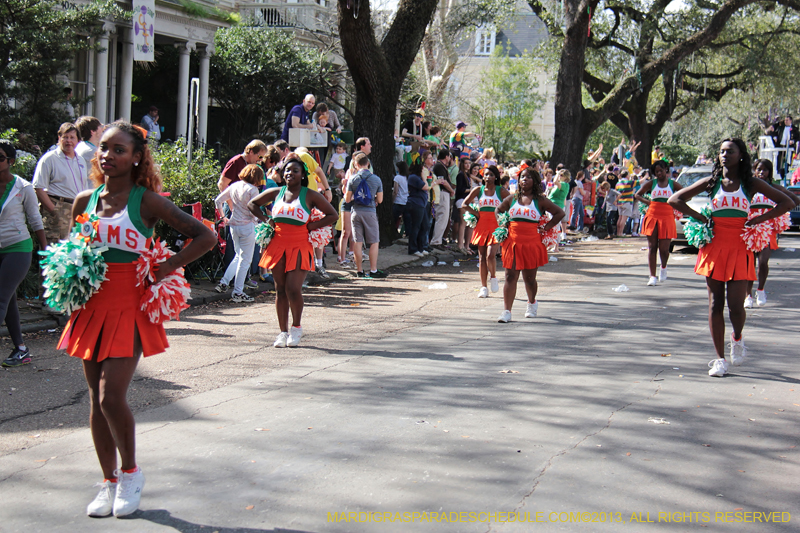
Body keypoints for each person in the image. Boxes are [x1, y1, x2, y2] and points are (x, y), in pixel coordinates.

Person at [63, 121, 215, 517]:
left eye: (118, 150)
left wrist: (166, 268)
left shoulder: (147, 201)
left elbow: (205, 236)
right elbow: (72, 250)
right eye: (104, 149)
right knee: (96, 404)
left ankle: (130, 473)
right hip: (90, 306)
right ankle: (108, 480)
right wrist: (69, 280)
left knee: (110, 395)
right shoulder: (85, 200)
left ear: (136, 158)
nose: (108, 155)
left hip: (130, 304)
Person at [669, 139, 792, 377]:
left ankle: (737, 338)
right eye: (722, 151)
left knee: (736, 306)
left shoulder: (751, 183)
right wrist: (700, 217)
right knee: (715, 303)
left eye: (730, 151)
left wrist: (758, 219)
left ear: (741, 156)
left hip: (739, 246)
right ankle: (719, 359)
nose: (725, 155)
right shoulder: (712, 182)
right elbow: (675, 199)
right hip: (714, 246)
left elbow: (786, 202)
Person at [249, 154, 337, 347]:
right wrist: (267, 220)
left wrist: (311, 227)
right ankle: (282, 332)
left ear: (302, 175)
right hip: (277, 244)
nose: (290, 173)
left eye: (295, 171)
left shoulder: (310, 195)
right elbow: (252, 204)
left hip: (300, 245)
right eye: (287, 170)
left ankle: (296, 328)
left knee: (293, 289)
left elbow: (332, 214)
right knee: (280, 289)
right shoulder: (276, 192)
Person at [495, 167, 565, 322]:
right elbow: (498, 210)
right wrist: (502, 225)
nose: (524, 180)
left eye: (527, 177)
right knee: (509, 276)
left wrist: (546, 227)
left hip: (532, 243)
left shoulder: (540, 200)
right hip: (512, 242)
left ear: (535, 181)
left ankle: (532, 302)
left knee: (529, 278)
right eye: (521, 177)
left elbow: (560, 213)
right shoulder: (512, 198)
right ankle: (507, 311)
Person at [0, 140, 47, 368]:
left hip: (18, 248)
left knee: (0, 296)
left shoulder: (23, 187)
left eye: (0, 158)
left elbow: (35, 220)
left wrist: (46, 249)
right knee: (7, 301)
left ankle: (20, 349)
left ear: (10, 161)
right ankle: (21, 349)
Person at [744, 159, 800, 307]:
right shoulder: (747, 187)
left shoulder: (774, 188)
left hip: (766, 228)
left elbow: (794, 200)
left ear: (770, 172)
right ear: (754, 170)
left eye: (765, 170)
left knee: (763, 262)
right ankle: (747, 295)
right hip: (749, 228)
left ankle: (761, 290)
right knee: (749, 263)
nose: (761, 172)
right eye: (759, 169)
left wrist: (777, 214)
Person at [214, 164, 263, 303]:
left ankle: (224, 283)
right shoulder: (253, 190)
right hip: (247, 226)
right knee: (245, 260)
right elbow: (254, 209)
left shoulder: (234, 185)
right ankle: (238, 291)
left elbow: (218, 201)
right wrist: (256, 220)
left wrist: (224, 217)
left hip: (233, 225)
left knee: (238, 256)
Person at [461, 165, 508, 298]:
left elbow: (513, 202)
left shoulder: (501, 190)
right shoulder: (478, 190)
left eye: (491, 175)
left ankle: (493, 277)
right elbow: (464, 204)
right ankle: (483, 287)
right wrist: (476, 213)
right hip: (481, 226)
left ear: (496, 177)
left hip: (496, 227)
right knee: (481, 257)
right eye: (486, 174)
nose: (488, 177)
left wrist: (505, 218)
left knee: (490, 255)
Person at [636, 160, 683, 286]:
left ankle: (663, 267)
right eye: (656, 171)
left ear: (666, 170)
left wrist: (677, 204)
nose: (659, 173)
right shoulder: (652, 183)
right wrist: (648, 203)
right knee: (652, 247)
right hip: (652, 215)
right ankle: (652, 276)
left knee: (664, 249)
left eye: (661, 170)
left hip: (667, 216)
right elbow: (637, 195)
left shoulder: (672, 184)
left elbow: (685, 194)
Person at [345, 151, 387, 278]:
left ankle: (359, 271)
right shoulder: (376, 179)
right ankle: (373, 270)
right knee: (374, 241)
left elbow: (347, 199)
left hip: (356, 212)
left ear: (356, 164)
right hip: (370, 212)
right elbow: (380, 200)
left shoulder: (352, 179)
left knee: (357, 241)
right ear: (368, 164)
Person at [430, 149, 455, 248]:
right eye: (449, 156)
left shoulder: (441, 166)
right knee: (442, 217)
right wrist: (451, 190)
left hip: (444, 193)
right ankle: (436, 241)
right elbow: (443, 181)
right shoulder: (439, 166)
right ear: (446, 156)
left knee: (444, 218)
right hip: (442, 193)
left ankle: (438, 239)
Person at [453, 158, 473, 255]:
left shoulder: (467, 175)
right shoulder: (460, 175)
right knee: (463, 223)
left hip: (466, 201)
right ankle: (460, 245)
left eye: (469, 163)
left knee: (467, 223)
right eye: (466, 163)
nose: (468, 165)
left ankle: (465, 245)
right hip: (461, 200)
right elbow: (460, 190)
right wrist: (471, 190)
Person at [615, 170, 635, 236]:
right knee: (623, 219)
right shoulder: (629, 182)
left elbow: (616, 193)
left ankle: (618, 233)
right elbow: (640, 182)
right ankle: (620, 233)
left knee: (620, 218)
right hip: (627, 202)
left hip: (620, 202)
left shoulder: (618, 183)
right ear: (627, 176)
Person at [392, 161, 409, 237]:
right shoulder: (408, 177)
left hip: (398, 201)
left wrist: (392, 200)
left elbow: (395, 191)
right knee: (407, 221)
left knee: (394, 220)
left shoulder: (397, 178)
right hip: (406, 201)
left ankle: (394, 233)